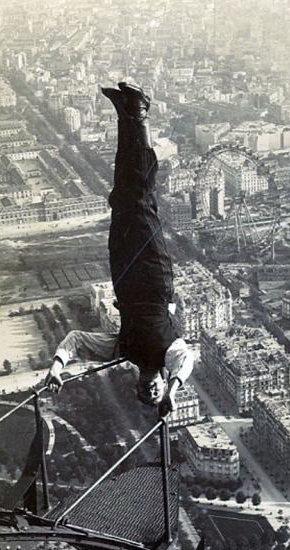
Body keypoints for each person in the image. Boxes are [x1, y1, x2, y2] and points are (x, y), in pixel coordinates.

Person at [45, 82, 193, 415]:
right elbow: (186, 361)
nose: (151, 391)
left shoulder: (122, 350)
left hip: (124, 275)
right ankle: (139, 114)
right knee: (140, 198)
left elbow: (77, 341)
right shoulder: (170, 354)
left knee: (121, 198)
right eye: (154, 394)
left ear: (137, 386)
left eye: (147, 394)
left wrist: (57, 366)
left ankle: (125, 114)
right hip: (155, 275)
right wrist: (173, 392)